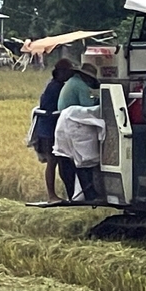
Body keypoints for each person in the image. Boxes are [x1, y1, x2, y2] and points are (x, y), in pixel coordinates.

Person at [54, 63, 101, 200]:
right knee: (84, 159)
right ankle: (89, 193)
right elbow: (88, 106)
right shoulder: (81, 86)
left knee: (67, 160)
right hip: (74, 125)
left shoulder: (71, 82)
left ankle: (72, 195)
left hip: (62, 125)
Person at [33, 58, 74, 203]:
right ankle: (52, 195)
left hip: (47, 128)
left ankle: (61, 195)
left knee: (58, 161)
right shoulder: (56, 88)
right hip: (49, 129)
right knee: (53, 161)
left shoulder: (53, 85)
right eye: (68, 72)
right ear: (60, 73)